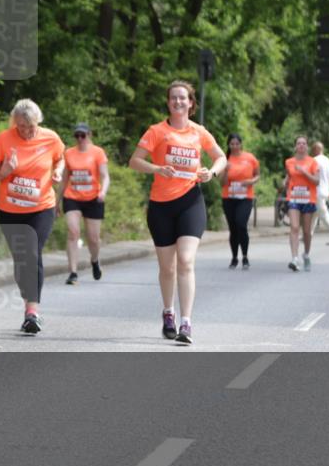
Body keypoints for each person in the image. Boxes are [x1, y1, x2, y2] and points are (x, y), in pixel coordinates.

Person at [129, 80, 226, 345]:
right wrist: (157, 169)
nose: (178, 102)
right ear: (168, 102)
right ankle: (168, 312)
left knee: (185, 261)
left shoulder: (199, 132)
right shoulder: (156, 131)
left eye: (183, 98)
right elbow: (134, 161)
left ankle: (186, 323)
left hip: (190, 202)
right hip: (161, 205)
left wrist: (211, 173)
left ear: (191, 103)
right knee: (167, 268)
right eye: (174, 98)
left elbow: (221, 157)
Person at [0, 99, 65, 334]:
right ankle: (28, 301)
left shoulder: (51, 138)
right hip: (10, 210)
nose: (25, 131)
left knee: (32, 252)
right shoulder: (4, 139)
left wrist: (58, 171)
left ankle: (32, 311)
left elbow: (61, 158)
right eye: (21, 126)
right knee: (22, 258)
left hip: (41, 207)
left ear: (38, 122)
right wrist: (5, 171)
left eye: (30, 126)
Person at [58, 123, 109, 286]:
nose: (80, 139)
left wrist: (103, 192)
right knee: (73, 232)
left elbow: (105, 176)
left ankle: (94, 260)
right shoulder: (69, 153)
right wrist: (56, 201)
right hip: (72, 197)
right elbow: (65, 178)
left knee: (93, 239)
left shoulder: (98, 152)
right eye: (77, 136)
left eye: (83, 135)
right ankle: (73, 272)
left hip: (94, 198)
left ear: (89, 135)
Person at [219, 134, 259, 269]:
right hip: (228, 197)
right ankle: (234, 257)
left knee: (241, 224)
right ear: (229, 145)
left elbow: (257, 175)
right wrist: (225, 171)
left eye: (237, 143)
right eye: (232, 144)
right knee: (233, 228)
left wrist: (251, 181)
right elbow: (222, 183)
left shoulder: (250, 158)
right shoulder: (225, 160)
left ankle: (245, 257)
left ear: (241, 144)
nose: (235, 146)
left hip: (245, 197)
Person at [284, 136, 320, 272]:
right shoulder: (289, 162)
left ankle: (306, 254)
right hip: (293, 198)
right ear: (295, 146)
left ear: (307, 147)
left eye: (304, 143)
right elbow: (289, 176)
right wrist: (285, 182)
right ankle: (294, 258)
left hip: (308, 199)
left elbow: (317, 181)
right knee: (294, 227)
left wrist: (304, 172)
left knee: (306, 231)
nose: (301, 145)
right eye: (298, 143)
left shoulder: (313, 163)